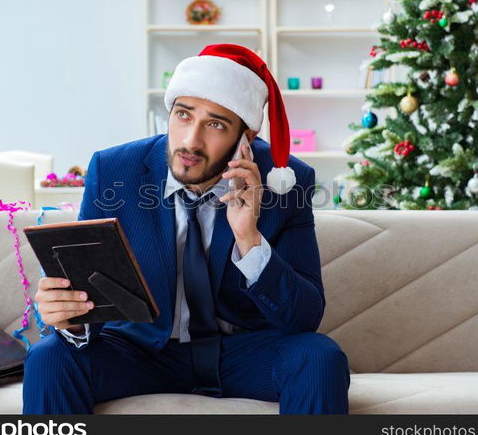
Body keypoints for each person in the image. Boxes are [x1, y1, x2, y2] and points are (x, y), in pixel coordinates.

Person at [22, 43, 350, 414]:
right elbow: (91, 291)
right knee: (50, 355)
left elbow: (303, 318)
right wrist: (72, 320)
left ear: (245, 139)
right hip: (141, 351)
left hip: (240, 353)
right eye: (183, 115)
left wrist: (249, 237)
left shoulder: (285, 182)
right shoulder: (114, 170)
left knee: (319, 356)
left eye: (215, 124)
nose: (191, 140)